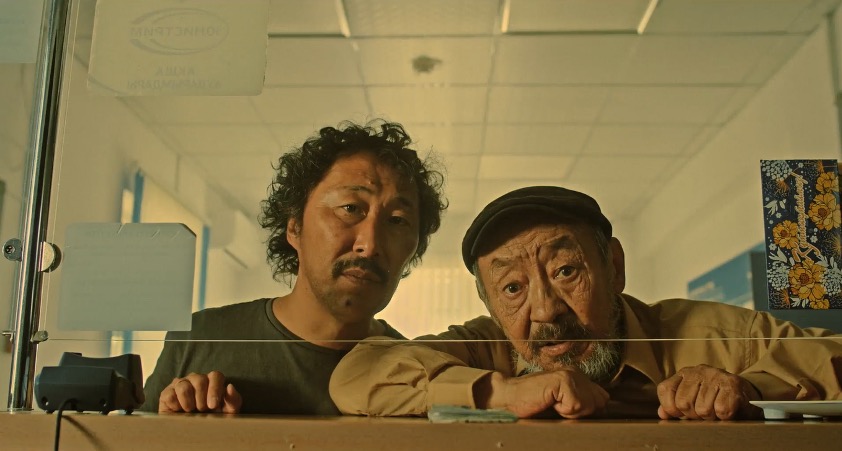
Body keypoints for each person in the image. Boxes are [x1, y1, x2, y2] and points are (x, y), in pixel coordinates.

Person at [330, 185, 842, 420]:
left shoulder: (704, 334)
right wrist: (499, 393)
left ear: (614, 267)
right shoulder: (486, 347)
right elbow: (356, 376)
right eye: (512, 289)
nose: (545, 311)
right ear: (489, 304)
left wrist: (750, 388)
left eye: (565, 272)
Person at [141, 120, 446, 414]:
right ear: (295, 227)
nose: (370, 244)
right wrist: (172, 429)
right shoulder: (203, 338)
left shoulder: (416, 376)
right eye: (350, 208)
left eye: (397, 221)